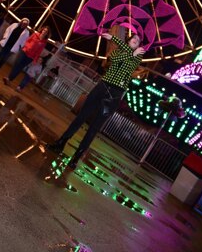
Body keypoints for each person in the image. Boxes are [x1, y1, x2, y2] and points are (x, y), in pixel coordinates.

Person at [46, 32, 145, 169]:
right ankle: (60, 143)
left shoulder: (137, 57)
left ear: (139, 46)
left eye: (138, 40)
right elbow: (115, 60)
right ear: (128, 41)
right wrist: (118, 42)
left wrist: (116, 40)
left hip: (114, 95)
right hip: (102, 87)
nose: (136, 40)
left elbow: (128, 66)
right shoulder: (117, 51)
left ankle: (76, 157)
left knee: (94, 127)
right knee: (81, 117)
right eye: (133, 38)